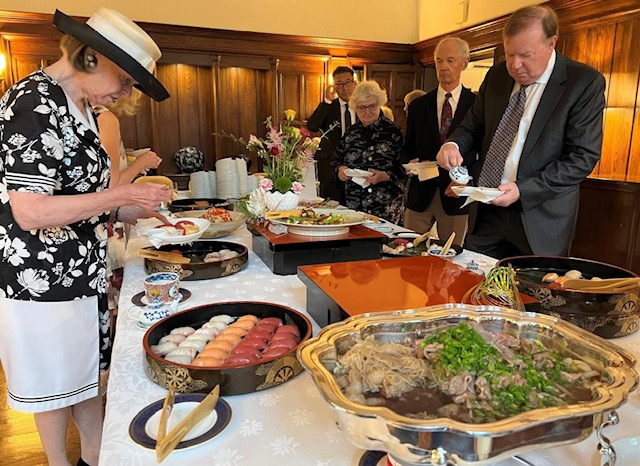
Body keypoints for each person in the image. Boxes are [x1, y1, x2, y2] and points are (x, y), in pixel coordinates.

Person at [0, 8, 172, 466]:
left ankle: (94, 458)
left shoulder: (83, 109)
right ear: (90, 57)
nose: (127, 91)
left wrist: (135, 208)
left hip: (83, 271)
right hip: (41, 279)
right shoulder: (32, 102)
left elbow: (86, 198)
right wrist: (121, 194)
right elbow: (30, 211)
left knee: (88, 381)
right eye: (126, 78)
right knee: (55, 389)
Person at [437, 5, 605, 259]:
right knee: (473, 277)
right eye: (509, 54)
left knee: (530, 285)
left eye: (526, 55)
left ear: (551, 43)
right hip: (487, 210)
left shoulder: (582, 83)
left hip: (540, 216)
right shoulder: (497, 75)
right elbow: (472, 125)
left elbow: (581, 158)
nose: (515, 65)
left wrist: (523, 189)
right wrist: (453, 144)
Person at [94, 90, 163, 334]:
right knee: (112, 305)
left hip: (94, 221)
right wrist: (140, 163)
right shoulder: (105, 118)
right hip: (106, 223)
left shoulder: (83, 116)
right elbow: (112, 185)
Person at [403, 37, 476, 246]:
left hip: (456, 195)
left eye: (450, 61)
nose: (444, 67)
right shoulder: (418, 106)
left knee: (451, 256)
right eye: (439, 61)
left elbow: (483, 151)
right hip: (421, 194)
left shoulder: (476, 105)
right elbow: (407, 149)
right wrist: (410, 164)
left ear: (464, 63)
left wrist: (465, 181)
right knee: (408, 252)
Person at [332, 81, 405, 224]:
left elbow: (406, 167)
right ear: (355, 108)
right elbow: (336, 160)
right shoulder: (351, 133)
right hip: (355, 204)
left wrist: (385, 175)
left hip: (386, 205)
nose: (367, 111)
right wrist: (340, 170)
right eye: (362, 107)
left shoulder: (394, 132)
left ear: (379, 104)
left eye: (372, 106)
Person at [307, 66, 357, 204]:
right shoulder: (329, 106)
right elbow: (312, 126)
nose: (344, 88)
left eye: (348, 82)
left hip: (357, 166)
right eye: (339, 84)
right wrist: (327, 101)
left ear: (354, 83)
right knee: (331, 206)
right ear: (334, 87)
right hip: (330, 167)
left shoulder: (362, 107)